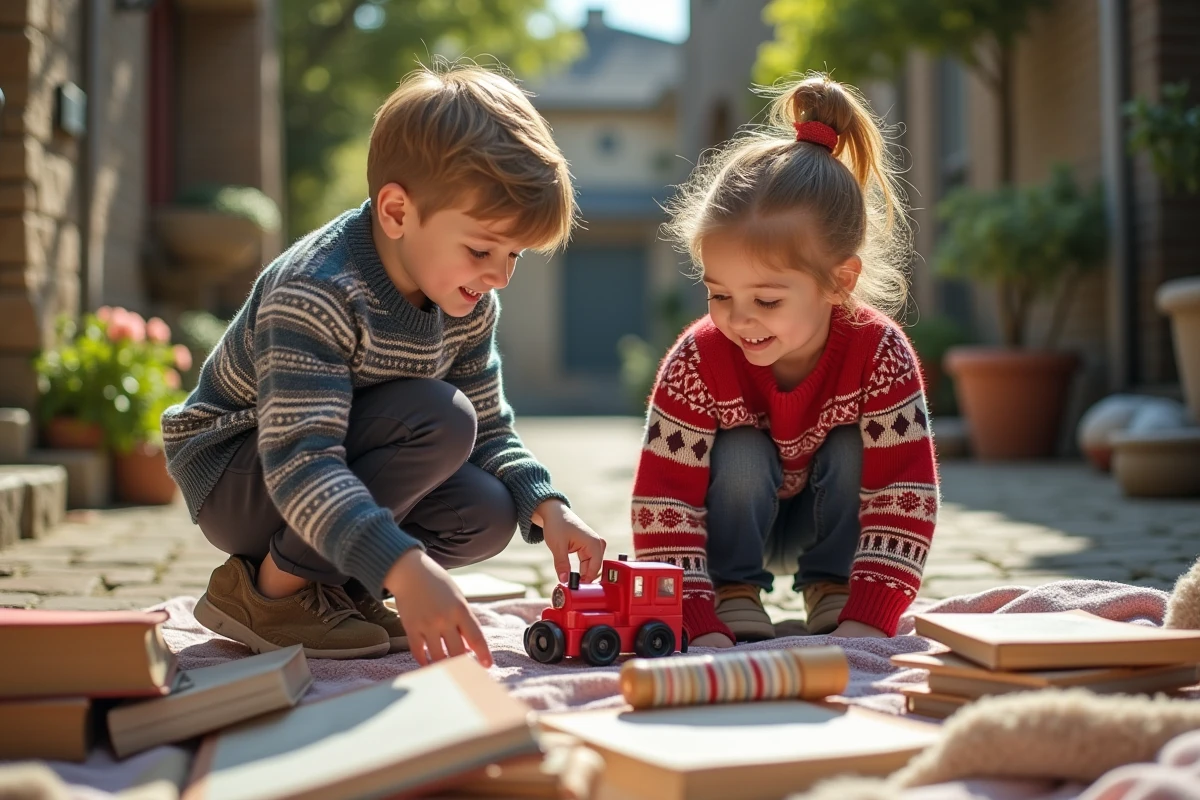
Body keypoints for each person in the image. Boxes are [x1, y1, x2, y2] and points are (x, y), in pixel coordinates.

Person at [162, 65, 606, 666]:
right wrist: (403, 566)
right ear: (397, 212)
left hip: (332, 461)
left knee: (489, 511)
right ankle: (266, 594)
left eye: (514, 255)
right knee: (439, 417)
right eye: (480, 250)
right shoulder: (318, 290)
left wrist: (547, 506)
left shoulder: (468, 300)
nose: (500, 276)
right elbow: (301, 462)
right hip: (241, 472)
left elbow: (491, 425)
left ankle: (333, 588)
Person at [631, 73, 937, 647]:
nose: (739, 319)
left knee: (852, 447)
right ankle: (733, 590)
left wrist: (872, 613)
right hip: (732, 526)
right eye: (719, 293)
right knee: (743, 450)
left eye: (766, 300)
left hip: (834, 524)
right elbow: (663, 501)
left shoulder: (880, 354)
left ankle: (832, 585)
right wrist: (695, 620)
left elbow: (905, 491)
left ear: (839, 282)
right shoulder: (698, 360)